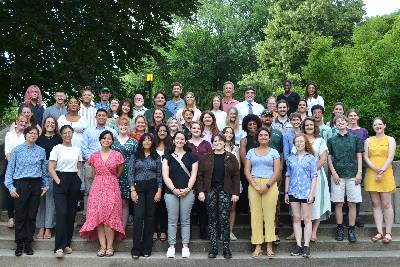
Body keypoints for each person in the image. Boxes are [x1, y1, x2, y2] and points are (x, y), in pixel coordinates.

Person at [4, 126, 49, 256]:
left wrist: (45, 185)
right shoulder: (17, 150)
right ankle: (19, 243)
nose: (33, 135)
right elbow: (10, 170)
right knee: (20, 215)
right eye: (30, 133)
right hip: (20, 184)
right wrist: (11, 187)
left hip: (36, 184)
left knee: (32, 215)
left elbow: (44, 171)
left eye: (35, 133)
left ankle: (28, 243)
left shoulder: (41, 151)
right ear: (25, 134)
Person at [80, 130, 125, 257]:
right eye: (104, 138)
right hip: (97, 187)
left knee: (109, 217)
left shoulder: (117, 155)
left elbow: (119, 172)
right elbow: (94, 173)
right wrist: (101, 180)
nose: (106, 140)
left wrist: (109, 179)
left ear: (112, 141)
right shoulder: (93, 156)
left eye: (109, 138)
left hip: (112, 186)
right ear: (100, 140)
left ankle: (110, 246)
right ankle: (102, 246)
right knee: (99, 217)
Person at [197, 133, 240, 259]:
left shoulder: (231, 157)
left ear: (224, 142)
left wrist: (235, 193)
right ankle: (213, 248)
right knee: (212, 220)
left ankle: (226, 248)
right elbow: (200, 176)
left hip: (225, 191)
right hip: (210, 191)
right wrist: (200, 191)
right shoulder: (206, 157)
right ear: (212, 143)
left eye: (220, 141)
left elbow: (236, 177)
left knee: (224, 220)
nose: (217, 143)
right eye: (215, 141)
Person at [327, 115, 364, 243]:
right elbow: (329, 158)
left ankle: (351, 229)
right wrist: (333, 173)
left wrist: (359, 173)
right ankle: (340, 228)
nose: (341, 122)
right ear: (335, 125)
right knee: (338, 203)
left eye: (343, 120)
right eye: (338, 121)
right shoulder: (331, 140)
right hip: (338, 175)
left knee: (353, 203)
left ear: (347, 123)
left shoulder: (355, 139)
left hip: (353, 175)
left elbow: (359, 156)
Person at [245, 128, 280, 258]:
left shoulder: (274, 152)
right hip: (253, 184)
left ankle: (269, 245)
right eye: (261, 135)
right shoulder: (251, 152)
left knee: (270, 216)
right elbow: (247, 170)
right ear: (257, 137)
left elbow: (277, 171)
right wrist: (254, 185)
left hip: (270, 184)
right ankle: (258, 246)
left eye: (266, 135)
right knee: (256, 215)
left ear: (269, 138)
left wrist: (267, 185)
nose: (263, 137)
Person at [163, 131, 198, 258]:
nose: (179, 140)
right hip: (170, 192)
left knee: (185, 220)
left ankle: (185, 246)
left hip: (188, 192)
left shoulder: (192, 156)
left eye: (182, 139)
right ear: (173, 141)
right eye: (177, 138)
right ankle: (171, 246)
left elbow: (194, 174)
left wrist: (188, 189)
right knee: (172, 220)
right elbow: (165, 176)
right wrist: (173, 189)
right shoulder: (167, 157)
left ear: (185, 141)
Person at [48, 125, 82, 258]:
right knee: (62, 213)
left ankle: (67, 244)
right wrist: (58, 181)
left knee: (71, 213)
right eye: (65, 133)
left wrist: (78, 180)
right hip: (60, 179)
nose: (68, 135)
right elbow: (51, 167)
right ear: (61, 135)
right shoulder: (56, 148)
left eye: (70, 132)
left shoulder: (77, 149)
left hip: (73, 180)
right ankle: (59, 247)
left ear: (72, 134)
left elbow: (79, 167)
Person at [129, 133, 162, 258]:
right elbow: (130, 174)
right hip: (139, 188)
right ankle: (136, 248)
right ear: (141, 142)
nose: (147, 141)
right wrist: (133, 190)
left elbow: (159, 175)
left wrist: (159, 191)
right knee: (139, 216)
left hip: (153, 187)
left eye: (149, 140)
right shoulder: (135, 156)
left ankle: (147, 248)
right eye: (145, 140)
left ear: (152, 142)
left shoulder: (156, 156)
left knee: (150, 217)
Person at [364, 118, 396, 244]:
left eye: (380, 124)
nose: (378, 126)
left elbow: (391, 156)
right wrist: (375, 169)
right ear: (373, 127)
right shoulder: (368, 140)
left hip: (386, 172)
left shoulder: (390, 139)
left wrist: (381, 170)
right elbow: (366, 156)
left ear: (384, 125)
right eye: (375, 124)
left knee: (387, 203)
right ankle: (379, 232)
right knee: (375, 203)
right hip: (372, 173)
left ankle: (388, 232)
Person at [285, 133, 317, 258]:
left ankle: (306, 245)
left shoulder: (311, 158)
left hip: (306, 192)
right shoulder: (291, 159)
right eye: (297, 142)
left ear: (305, 143)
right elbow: (288, 175)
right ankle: (298, 245)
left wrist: (311, 193)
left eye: (301, 142)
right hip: (293, 191)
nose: (299, 144)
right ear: (294, 144)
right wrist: (286, 192)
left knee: (307, 219)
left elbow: (314, 176)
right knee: (296, 218)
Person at [81, 109, 117, 219]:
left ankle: (103, 217)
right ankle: (89, 218)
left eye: (104, 115)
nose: (101, 117)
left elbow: (115, 148)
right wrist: (92, 160)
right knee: (89, 191)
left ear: (107, 118)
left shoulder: (113, 132)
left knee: (106, 193)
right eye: (99, 115)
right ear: (95, 117)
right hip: (91, 164)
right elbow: (84, 147)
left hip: (107, 166)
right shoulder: (88, 131)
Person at [301, 118, 331, 241]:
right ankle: (302, 231)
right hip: (301, 177)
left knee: (317, 202)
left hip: (317, 176)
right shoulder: (300, 140)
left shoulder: (320, 141)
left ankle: (314, 232)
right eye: (306, 125)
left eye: (311, 125)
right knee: (302, 202)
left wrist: (312, 172)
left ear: (315, 127)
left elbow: (323, 158)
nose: (309, 127)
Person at [35, 117, 62, 240]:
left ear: (55, 125)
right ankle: (40, 226)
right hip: (40, 170)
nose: (50, 124)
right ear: (44, 124)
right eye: (48, 122)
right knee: (40, 199)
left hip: (54, 169)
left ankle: (49, 227)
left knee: (51, 199)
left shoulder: (59, 139)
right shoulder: (38, 139)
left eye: (53, 123)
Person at [187, 121, 212, 239]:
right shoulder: (186, 144)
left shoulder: (206, 144)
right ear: (190, 129)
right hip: (188, 177)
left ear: (201, 130)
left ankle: (203, 231)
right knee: (189, 206)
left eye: (198, 128)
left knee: (203, 205)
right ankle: (189, 233)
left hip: (204, 178)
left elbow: (210, 159)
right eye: (194, 128)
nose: (196, 130)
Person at [111, 117, 138, 228]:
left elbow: (137, 158)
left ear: (129, 127)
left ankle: (123, 228)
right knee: (115, 202)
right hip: (115, 173)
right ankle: (114, 227)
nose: (123, 127)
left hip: (129, 172)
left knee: (125, 202)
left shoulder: (133, 142)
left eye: (126, 124)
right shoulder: (112, 141)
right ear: (117, 126)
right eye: (121, 125)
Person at [3, 115, 28, 229]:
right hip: (10, 165)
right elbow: (7, 150)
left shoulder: (26, 136)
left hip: (22, 167)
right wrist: (12, 164)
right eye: (21, 121)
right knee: (10, 190)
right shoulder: (9, 134)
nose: (23, 123)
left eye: (25, 122)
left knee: (20, 191)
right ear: (17, 122)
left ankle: (19, 216)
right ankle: (11, 217)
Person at [348, 109, 369, 227]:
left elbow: (366, 149)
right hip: (347, 165)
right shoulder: (345, 130)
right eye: (350, 115)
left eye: (355, 115)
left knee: (357, 191)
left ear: (358, 117)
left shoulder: (363, 131)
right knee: (347, 191)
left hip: (360, 165)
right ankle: (348, 216)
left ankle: (357, 217)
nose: (352, 117)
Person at [238, 115, 262, 219]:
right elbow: (243, 157)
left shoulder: (262, 137)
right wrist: (251, 170)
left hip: (262, 171)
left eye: (254, 124)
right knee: (250, 197)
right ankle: (251, 219)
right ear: (246, 126)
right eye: (249, 124)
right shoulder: (244, 140)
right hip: (249, 171)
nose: (252, 126)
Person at [153, 124, 172, 242]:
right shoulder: (153, 145)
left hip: (168, 179)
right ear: (157, 132)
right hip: (154, 179)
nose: (162, 132)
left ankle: (164, 230)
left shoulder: (171, 146)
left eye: (165, 131)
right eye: (160, 130)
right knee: (154, 205)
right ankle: (154, 230)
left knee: (165, 206)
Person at [222, 126, 241, 240]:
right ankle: (221, 231)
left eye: (231, 133)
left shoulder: (236, 148)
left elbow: (238, 165)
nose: (228, 135)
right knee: (221, 208)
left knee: (232, 207)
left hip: (233, 180)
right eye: (226, 132)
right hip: (221, 180)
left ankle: (230, 231)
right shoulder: (218, 145)